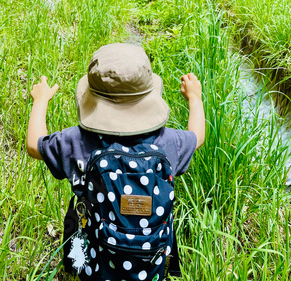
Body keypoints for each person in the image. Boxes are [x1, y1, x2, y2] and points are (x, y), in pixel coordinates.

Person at [27, 43, 205, 280]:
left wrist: (41, 100)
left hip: (95, 260)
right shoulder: (168, 142)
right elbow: (197, 137)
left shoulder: (76, 141)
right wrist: (195, 98)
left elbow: (34, 144)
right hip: (150, 260)